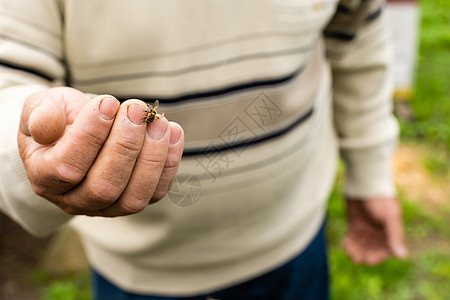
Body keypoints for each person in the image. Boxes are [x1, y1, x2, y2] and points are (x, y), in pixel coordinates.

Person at [0, 0, 407, 299]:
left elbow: (358, 33)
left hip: (296, 239)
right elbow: (8, 81)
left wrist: (370, 172)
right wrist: (38, 145)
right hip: (143, 275)